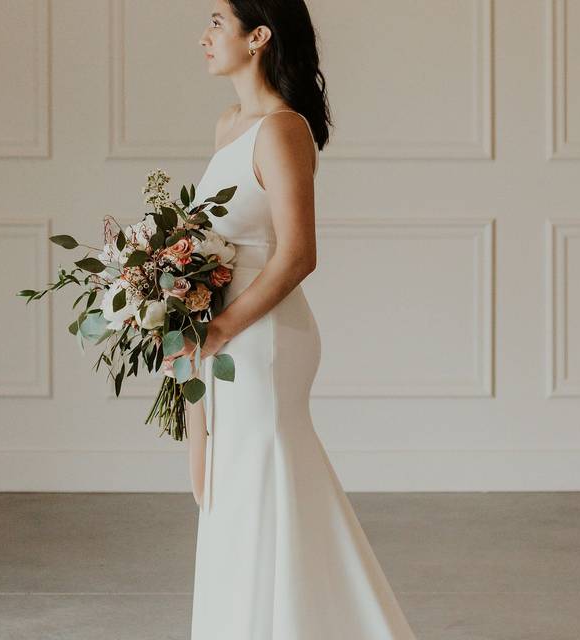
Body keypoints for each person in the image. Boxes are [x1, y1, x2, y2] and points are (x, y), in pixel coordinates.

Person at [163, 1, 419, 637]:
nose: (204, 36)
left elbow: (299, 253)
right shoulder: (229, 124)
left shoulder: (283, 130)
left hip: (264, 336)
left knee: (264, 486)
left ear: (259, 36)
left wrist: (220, 328)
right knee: (231, 493)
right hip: (222, 334)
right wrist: (180, 312)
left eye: (217, 22)